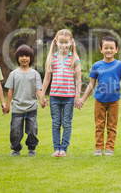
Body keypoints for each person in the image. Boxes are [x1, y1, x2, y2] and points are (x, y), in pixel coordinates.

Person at [80, 36, 121, 156]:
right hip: (99, 100)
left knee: (112, 125)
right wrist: (83, 99)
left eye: (111, 48)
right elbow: (91, 84)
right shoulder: (97, 65)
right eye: (106, 48)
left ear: (116, 49)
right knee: (99, 125)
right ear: (101, 49)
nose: (109, 50)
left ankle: (110, 148)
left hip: (114, 100)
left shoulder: (120, 65)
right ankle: (99, 148)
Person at [42, 29, 82, 157]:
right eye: (61, 42)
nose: (63, 45)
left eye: (66, 42)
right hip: (54, 97)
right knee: (55, 123)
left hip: (69, 97)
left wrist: (77, 97)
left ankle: (63, 149)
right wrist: (42, 95)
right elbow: (47, 78)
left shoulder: (74, 58)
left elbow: (78, 79)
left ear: (71, 42)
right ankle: (57, 149)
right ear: (56, 42)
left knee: (66, 123)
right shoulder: (51, 58)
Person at [4, 45, 45, 156]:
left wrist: (42, 99)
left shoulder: (35, 74)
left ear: (30, 58)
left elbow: (38, 89)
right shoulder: (14, 74)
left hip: (31, 107)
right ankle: (16, 149)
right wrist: (7, 105)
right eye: (21, 56)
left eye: (26, 56)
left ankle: (31, 148)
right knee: (15, 131)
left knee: (32, 130)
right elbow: (10, 91)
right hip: (17, 108)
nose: (24, 58)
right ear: (17, 58)